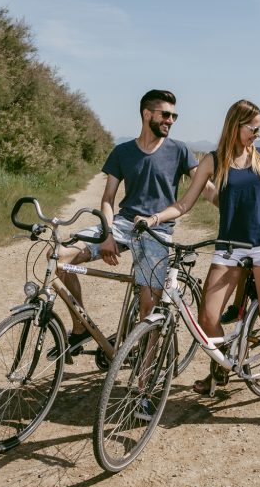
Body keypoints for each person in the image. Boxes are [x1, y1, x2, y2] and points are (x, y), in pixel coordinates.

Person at [137, 99, 260, 435]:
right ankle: (222, 367)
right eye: (253, 128)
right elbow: (184, 202)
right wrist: (153, 218)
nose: (258, 134)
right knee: (207, 317)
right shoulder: (213, 161)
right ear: (235, 125)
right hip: (229, 246)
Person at [55, 89, 211, 357]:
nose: (171, 120)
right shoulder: (123, 152)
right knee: (58, 257)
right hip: (123, 224)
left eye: (174, 115)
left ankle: (144, 379)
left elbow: (205, 187)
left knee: (147, 308)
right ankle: (80, 327)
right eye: (165, 114)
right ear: (147, 114)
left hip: (157, 231)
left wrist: (240, 206)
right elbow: (107, 199)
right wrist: (107, 234)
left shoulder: (179, 151)